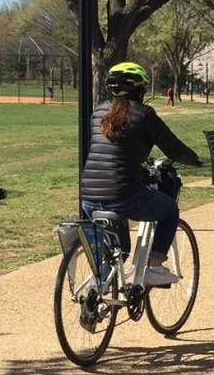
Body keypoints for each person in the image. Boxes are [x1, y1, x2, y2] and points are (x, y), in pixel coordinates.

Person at [81, 62, 203, 286]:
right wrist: (195, 161)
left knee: (118, 251)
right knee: (168, 210)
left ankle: (98, 290)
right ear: (140, 90)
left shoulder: (99, 111)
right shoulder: (144, 114)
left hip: (88, 195)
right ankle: (154, 267)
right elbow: (174, 148)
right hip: (123, 194)